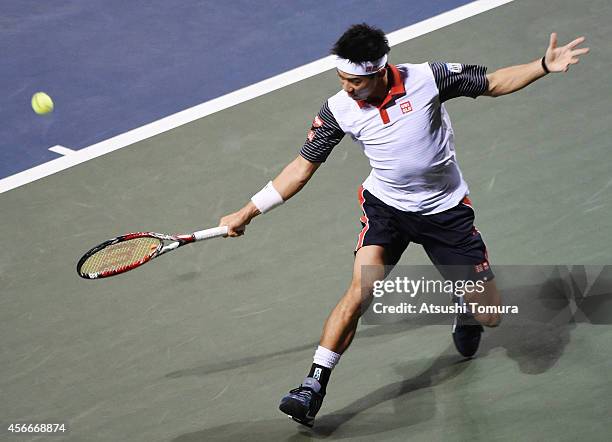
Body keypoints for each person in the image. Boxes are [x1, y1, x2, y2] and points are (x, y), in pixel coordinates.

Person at [218, 23, 589, 427]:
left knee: (491, 315)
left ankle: (463, 309)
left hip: (445, 213)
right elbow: (301, 168)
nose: (347, 89)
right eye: (341, 79)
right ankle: (312, 385)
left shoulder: (429, 78)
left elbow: (494, 82)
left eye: (355, 81)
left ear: (380, 72)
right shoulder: (338, 109)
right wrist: (247, 211)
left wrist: (543, 66)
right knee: (361, 290)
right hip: (387, 210)